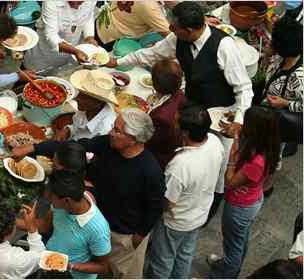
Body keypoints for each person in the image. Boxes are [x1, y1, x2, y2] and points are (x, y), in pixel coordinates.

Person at [106, 1, 253, 226]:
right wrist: (117, 61)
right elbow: (150, 54)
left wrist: (239, 120)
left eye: (175, 28)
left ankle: (205, 212)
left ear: (190, 30)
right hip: (193, 105)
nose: (170, 31)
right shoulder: (178, 39)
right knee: (184, 154)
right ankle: (176, 196)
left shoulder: (224, 46)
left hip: (221, 114)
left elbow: (244, 88)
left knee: (217, 168)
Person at [13, 108, 166, 278]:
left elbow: (156, 206)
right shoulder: (108, 144)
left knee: (117, 271)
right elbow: (76, 147)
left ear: (134, 139)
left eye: (117, 130)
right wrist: (34, 148)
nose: (111, 133)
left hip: (122, 232)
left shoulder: (150, 172)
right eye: (113, 127)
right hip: (95, 216)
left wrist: (138, 236)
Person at [145, 102, 224, 278]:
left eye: (176, 122)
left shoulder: (181, 165)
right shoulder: (214, 142)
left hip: (176, 221)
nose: (173, 125)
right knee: (184, 255)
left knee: (162, 261)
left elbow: (168, 204)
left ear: (185, 132)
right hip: (199, 214)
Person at [208, 106, 281, 278]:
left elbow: (230, 181)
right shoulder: (268, 145)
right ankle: (228, 265)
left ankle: (225, 274)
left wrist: (232, 158)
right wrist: (235, 130)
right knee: (240, 241)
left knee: (233, 245)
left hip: (240, 207)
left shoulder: (257, 162)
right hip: (252, 200)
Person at [22, 170, 111, 279]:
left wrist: (69, 266)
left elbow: (102, 266)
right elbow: (45, 227)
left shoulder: (98, 229)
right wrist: (21, 222)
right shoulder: (63, 203)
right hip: (49, 265)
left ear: (66, 200)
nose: (48, 199)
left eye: (51, 198)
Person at [260, 16, 303, 168]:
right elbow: (265, 73)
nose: (270, 42)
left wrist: (286, 103)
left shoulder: (299, 77)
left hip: (280, 122)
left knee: (273, 151)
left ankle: (267, 183)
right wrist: (267, 55)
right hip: (267, 112)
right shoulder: (280, 57)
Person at [23, 1, 99, 70]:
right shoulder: (51, 3)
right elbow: (51, 35)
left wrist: (89, 37)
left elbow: (88, 18)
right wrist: (74, 51)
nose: (77, 7)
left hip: (70, 53)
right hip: (44, 55)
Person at [145, 59, 187, 169]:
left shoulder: (161, 118)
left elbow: (147, 140)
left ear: (155, 85)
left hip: (157, 158)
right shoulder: (180, 94)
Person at [55, 70, 116, 141]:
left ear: (98, 102)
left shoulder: (104, 131)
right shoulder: (86, 108)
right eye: (80, 94)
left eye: (84, 97)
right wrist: (67, 130)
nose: (76, 98)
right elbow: (76, 127)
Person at [96, 1, 170, 49]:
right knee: (96, 56)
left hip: (104, 20)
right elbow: (171, 36)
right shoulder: (150, 7)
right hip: (111, 35)